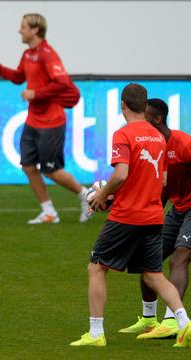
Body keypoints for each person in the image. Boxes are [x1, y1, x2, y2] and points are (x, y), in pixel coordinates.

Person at [69, 84, 191, 347]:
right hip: (154, 215)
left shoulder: (124, 133)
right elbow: (160, 180)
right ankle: (184, 323)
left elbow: (122, 174)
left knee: (97, 267)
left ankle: (96, 333)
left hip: (127, 216)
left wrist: (103, 195)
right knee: (154, 274)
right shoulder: (158, 138)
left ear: (122, 104)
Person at [0, 13, 90, 224]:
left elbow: (62, 83)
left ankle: (87, 197)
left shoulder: (48, 54)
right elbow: (18, 78)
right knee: (28, 165)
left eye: (23, 27)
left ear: (35, 30)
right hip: (33, 121)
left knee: (51, 170)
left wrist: (35, 94)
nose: (20, 30)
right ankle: (49, 212)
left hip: (52, 122)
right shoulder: (28, 54)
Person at [117, 98, 191, 340]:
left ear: (157, 119)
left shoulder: (183, 143)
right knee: (148, 258)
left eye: (144, 115)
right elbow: (162, 187)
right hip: (177, 209)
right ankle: (149, 320)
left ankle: (172, 321)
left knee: (179, 257)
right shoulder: (155, 145)